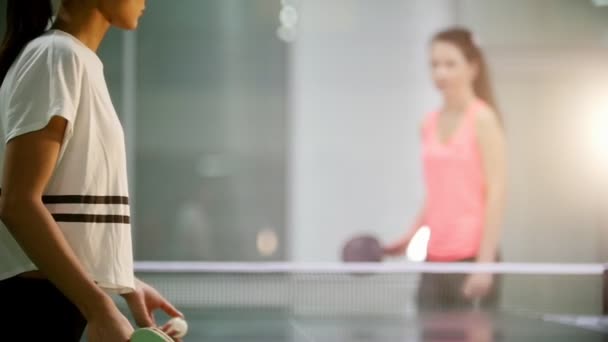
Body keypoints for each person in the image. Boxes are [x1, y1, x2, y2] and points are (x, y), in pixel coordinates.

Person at [0, 1, 183, 340]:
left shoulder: (72, 59)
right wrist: (99, 307)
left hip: (52, 302)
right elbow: (18, 203)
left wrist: (125, 283)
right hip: (34, 307)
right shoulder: (57, 55)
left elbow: (61, 201)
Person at [384, 27, 507, 311]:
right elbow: (436, 193)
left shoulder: (483, 119)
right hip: (434, 258)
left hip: (472, 257)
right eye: (434, 65)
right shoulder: (426, 124)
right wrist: (411, 235)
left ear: (473, 67)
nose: (440, 73)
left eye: (450, 64)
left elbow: (497, 192)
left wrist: (484, 264)